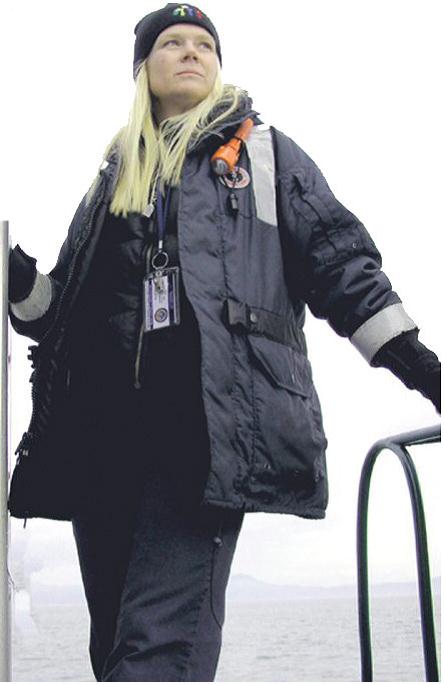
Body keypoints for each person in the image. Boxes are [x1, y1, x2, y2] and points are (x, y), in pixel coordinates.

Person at [6, 3, 440, 681]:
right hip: (103, 445)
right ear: (144, 69)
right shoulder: (111, 178)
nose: (189, 51)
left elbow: (341, 266)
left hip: (201, 438)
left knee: (157, 652)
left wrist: (422, 368)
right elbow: (54, 313)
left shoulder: (265, 155)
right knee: (114, 650)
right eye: (171, 42)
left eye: (203, 43)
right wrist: (16, 276)